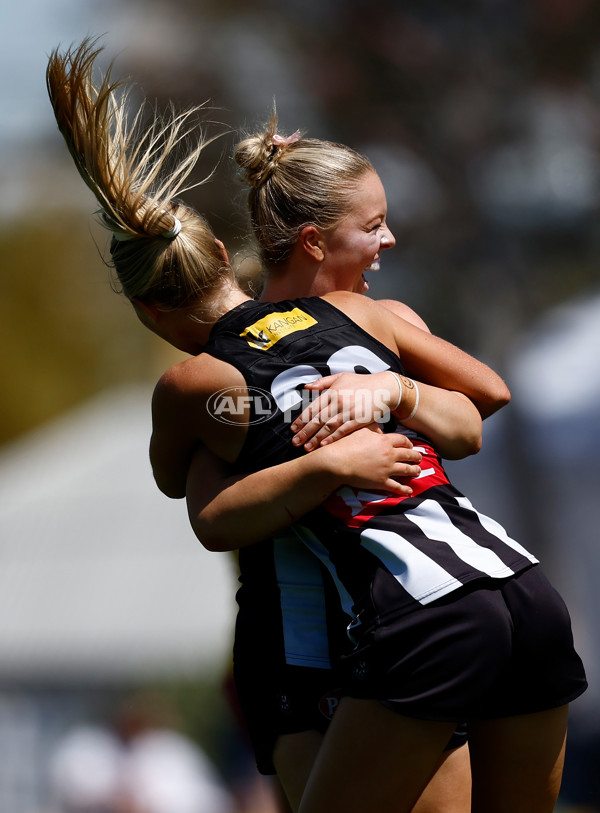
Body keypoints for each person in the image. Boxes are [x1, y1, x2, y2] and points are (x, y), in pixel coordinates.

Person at [46, 40, 586, 813]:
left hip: (399, 619)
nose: (389, 242)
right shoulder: (356, 317)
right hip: (499, 591)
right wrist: (360, 429)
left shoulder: (214, 379)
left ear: (149, 310)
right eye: (374, 227)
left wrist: (379, 404)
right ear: (305, 243)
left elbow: (198, 504)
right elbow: (477, 409)